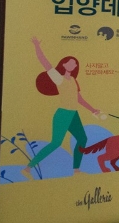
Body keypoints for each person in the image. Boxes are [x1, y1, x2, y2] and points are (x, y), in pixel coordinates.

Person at [23, 37, 104, 179]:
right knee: (55, 143)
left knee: (82, 139)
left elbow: (78, 98)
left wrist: (92, 110)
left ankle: (76, 171)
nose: (74, 64)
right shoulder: (58, 78)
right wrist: (37, 45)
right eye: (71, 62)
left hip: (73, 114)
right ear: (64, 64)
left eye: (75, 63)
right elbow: (45, 63)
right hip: (63, 114)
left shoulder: (73, 80)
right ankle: (29, 167)